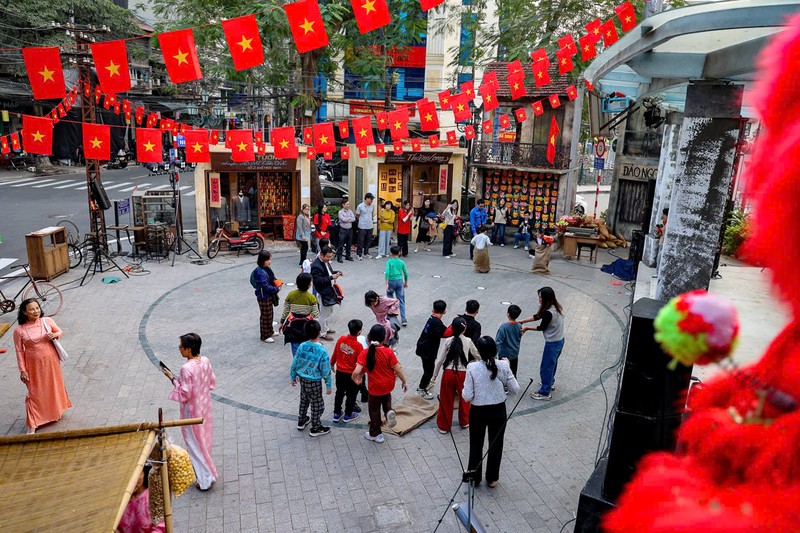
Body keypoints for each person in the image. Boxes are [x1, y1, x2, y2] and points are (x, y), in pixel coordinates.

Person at [462, 336, 520, 488]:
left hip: (478, 412)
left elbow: (467, 396)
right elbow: (515, 389)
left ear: (479, 352)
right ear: (495, 350)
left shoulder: (472, 368)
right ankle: (492, 478)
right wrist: (508, 368)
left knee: (476, 444)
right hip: (498, 410)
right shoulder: (503, 365)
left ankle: (474, 477)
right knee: (496, 444)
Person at [163, 333, 218, 490]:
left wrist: (172, 379)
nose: (179, 349)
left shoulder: (186, 368)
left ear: (188, 349)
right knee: (204, 441)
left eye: (181, 346)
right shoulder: (205, 361)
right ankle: (207, 474)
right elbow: (211, 382)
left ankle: (205, 479)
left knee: (194, 444)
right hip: (205, 406)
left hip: (192, 412)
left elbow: (185, 393)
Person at [13, 298, 71, 434]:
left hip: (51, 360)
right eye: (32, 309)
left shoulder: (47, 321)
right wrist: (23, 370)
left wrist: (54, 335)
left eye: (37, 308)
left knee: (53, 386)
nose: (36, 311)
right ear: (24, 312)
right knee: (34, 392)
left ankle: (55, 412)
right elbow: (19, 351)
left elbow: (59, 332)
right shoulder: (19, 330)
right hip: (32, 364)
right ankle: (33, 423)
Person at [352, 324, 408, 444]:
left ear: (369, 337)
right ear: (384, 339)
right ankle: (388, 411)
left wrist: (355, 378)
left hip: (374, 388)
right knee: (386, 399)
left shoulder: (366, 353)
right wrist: (404, 381)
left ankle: (375, 434)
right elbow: (397, 369)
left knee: (374, 410)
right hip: (388, 385)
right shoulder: (389, 352)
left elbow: (357, 370)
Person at [431, 317, 480, 433]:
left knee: (446, 399)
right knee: (465, 398)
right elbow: (477, 355)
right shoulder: (468, 341)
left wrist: (435, 375)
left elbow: (439, 360)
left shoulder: (448, 341)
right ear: (465, 328)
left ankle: (444, 426)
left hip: (448, 373)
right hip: (463, 374)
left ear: (452, 328)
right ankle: (465, 421)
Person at [519, 286, 565, 400]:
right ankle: (549, 382)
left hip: (553, 343)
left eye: (540, 297)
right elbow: (537, 316)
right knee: (552, 364)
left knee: (546, 367)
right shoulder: (554, 306)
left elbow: (542, 327)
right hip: (560, 340)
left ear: (546, 298)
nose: (539, 299)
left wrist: (526, 328)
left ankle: (545, 392)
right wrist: (522, 320)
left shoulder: (549, 312)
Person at [290, 320, 332, 437]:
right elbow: (325, 370)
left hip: (302, 379)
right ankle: (315, 427)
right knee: (317, 404)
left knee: (304, 400)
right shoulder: (322, 351)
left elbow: (295, 362)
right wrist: (328, 385)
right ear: (319, 333)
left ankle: (301, 420)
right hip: (315, 382)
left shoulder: (302, 346)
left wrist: (293, 376)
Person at [330, 319, 364, 423]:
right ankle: (348, 414)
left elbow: (335, 352)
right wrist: (361, 375)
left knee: (339, 392)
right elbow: (361, 363)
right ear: (359, 332)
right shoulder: (359, 346)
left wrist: (332, 364)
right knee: (351, 395)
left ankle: (336, 413)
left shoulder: (341, 339)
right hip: (351, 375)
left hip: (340, 372)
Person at [279, 273, 320, 356]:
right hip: (306, 326)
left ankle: (296, 362)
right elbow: (316, 313)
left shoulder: (291, 294)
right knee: (306, 346)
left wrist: (281, 322)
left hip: (293, 326)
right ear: (308, 284)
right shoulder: (311, 297)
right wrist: (310, 316)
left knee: (295, 346)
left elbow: (286, 311)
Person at [117, 464, 166, 533]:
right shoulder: (117, 502)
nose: (133, 481)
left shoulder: (153, 497)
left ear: (143, 473)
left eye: (137, 474)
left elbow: (160, 527)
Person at [415, 299, 448, 400]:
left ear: (433, 310)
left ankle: (424, 385)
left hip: (423, 348)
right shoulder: (437, 323)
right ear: (445, 311)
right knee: (428, 371)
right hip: (428, 351)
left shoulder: (432, 319)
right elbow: (446, 333)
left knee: (428, 369)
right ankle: (421, 389)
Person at [311, 246, 343, 341]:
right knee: (323, 314)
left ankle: (325, 328)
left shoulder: (326, 262)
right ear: (321, 255)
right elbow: (318, 281)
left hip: (329, 291)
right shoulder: (316, 266)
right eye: (327, 257)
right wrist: (332, 277)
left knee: (329, 311)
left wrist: (337, 273)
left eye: (330, 257)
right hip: (323, 292)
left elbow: (329, 273)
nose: (329, 259)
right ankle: (322, 333)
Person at [252, 250, 281, 343]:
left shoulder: (266, 269)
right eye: (267, 260)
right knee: (265, 316)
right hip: (263, 296)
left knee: (270, 314)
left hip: (268, 295)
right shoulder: (259, 272)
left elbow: (272, 278)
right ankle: (264, 335)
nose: (269, 261)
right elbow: (265, 287)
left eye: (270, 259)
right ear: (262, 260)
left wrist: (277, 283)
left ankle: (270, 331)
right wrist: (276, 289)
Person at [495, 304, 524, 377]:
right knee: (513, 372)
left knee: (503, 373)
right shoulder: (519, 326)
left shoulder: (504, 327)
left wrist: (495, 354)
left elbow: (498, 341)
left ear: (508, 314)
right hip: (514, 353)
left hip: (504, 354)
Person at [385, 245, 409, 326]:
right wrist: (406, 282)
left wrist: (386, 283)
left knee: (390, 300)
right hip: (399, 281)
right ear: (399, 253)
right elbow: (405, 273)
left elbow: (387, 273)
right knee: (401, 300)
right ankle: (403, 319)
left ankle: (390, 317)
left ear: (391, 253)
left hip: (391, 281)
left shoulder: (389, 262)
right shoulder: (401, 262)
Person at [355, 192, 375, 260]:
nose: (372, 200)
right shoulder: (360, 206)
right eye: (371, 199)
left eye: (372, 199)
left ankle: (366, 252)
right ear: (366, 198)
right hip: (362, 226)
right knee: (361, 240)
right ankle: (359, 254)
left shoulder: (372, 206)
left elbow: (371, 214)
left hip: (370, 225)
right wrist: (361, 221)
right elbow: (357, 215)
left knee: (369, 240)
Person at [336, 199, 356, 263]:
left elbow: (354, 219)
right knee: (341, 244)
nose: (348, 205)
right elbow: (343, 219)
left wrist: (348, 219)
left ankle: (348, 256)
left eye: (348, 204)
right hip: (343, 230)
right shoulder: (340, 212)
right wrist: (349, 218)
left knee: (349, 243)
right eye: (347, 204)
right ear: (343, 205)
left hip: (350, 230)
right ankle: (339, 257)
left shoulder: (350, 211)